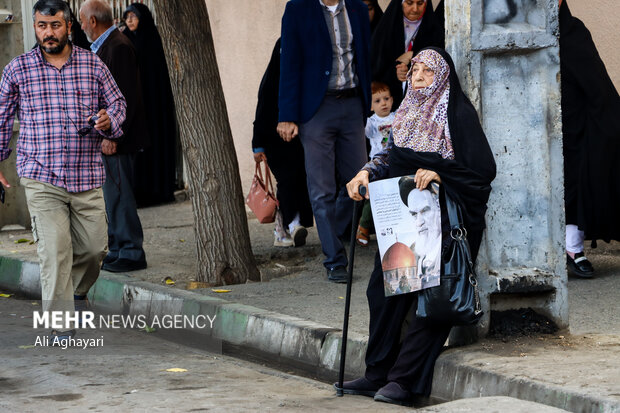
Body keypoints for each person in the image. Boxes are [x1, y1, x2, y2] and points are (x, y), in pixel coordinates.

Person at [340, 48, 495, 406]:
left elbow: (482, 171)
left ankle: (403, 380)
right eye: (417, 68)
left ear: (442, 76)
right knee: (381, 291)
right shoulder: (406, 112)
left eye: (429, 69)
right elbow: (391, 155)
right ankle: (376, 371)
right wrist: (365, 172)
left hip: (443, 220)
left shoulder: (457, 115)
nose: (420, 74)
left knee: (434, 299)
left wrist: (441, 173)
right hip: (404, 217)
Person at [0, 0, 126, 338]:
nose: (49, 33)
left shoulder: (92, 65)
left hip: (85, 174)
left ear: (69, 26)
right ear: (36, 27)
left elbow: (117, 102)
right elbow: (1, 117)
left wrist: (108, 120)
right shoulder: (18, 69)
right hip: (41, 175)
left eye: (55, 25)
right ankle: (59, 324)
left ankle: (77, 293)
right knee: (54, 250)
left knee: (95, 248)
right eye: (42, 26)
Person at [277, 0, 371, 283]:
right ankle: (334, 259)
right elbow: (289, 63)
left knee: (362, 183)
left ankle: (336, 229)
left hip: (353, 104)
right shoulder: (298, 9)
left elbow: (365, 54)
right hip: (316, 110)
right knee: (321, 190)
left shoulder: (355, 8)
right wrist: (287, 115)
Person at [80, 0, 149, 272]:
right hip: (111, 137)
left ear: (94, 22)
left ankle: (131, 251)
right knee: (111, 197)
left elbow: (125, 99)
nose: (82, 26)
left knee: (120, 197)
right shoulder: (108, 46)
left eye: (83, 21)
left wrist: (113, 137)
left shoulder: (118, 47)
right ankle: (119, 248)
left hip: (118, 139)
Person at [559, 0, 620, 279]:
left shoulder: (573, 32)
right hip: (529, 121)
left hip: (574, 125)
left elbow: (595, 82)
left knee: (576, 180)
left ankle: (573, 248)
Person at [251, 38, 313, 247]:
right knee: (286, 181)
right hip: (273, 140)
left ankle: (284, 228)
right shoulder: (271, 80)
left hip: (297, 140)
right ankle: (291, 224)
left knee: (297, 180)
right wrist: (257, 145)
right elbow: (261, 111)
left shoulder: (301, 80)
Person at [122, 3, 178, 207]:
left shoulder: (154, 40)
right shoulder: (124, 41)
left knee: (156, 144)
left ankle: (159, 190)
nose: (129, 20)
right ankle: (138, 192)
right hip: (135, 105)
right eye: (126, 16)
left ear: (143, 18)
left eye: (133, 16)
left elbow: (160, 76)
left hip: (155, 105)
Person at [371, 0, 443, 108]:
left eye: (420, 3)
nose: (415, 9)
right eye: (409, 3)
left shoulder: (434, 31)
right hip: (389, 104)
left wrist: (413, 56)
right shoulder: (386, 29)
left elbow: (439, 63)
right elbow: (376, 67)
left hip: (423, 104)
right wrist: (395, 71)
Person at [357, 81, 395, 246]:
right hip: (377, 164)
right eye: (378, 101)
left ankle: (390, 230)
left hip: (394, 161)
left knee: (392, 195)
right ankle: (363, 227)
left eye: (386, 98)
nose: (383, 103)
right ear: (371, 106)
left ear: (392, 100)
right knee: (373, 196)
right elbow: (364, 132)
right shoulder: (371, 122)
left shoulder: (396, 117)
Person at [399, 178, 441, 278]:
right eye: (414, 214)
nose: (419, 223)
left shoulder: (451, 249)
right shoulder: (413, 254)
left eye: (425, 211)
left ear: (439, 209)